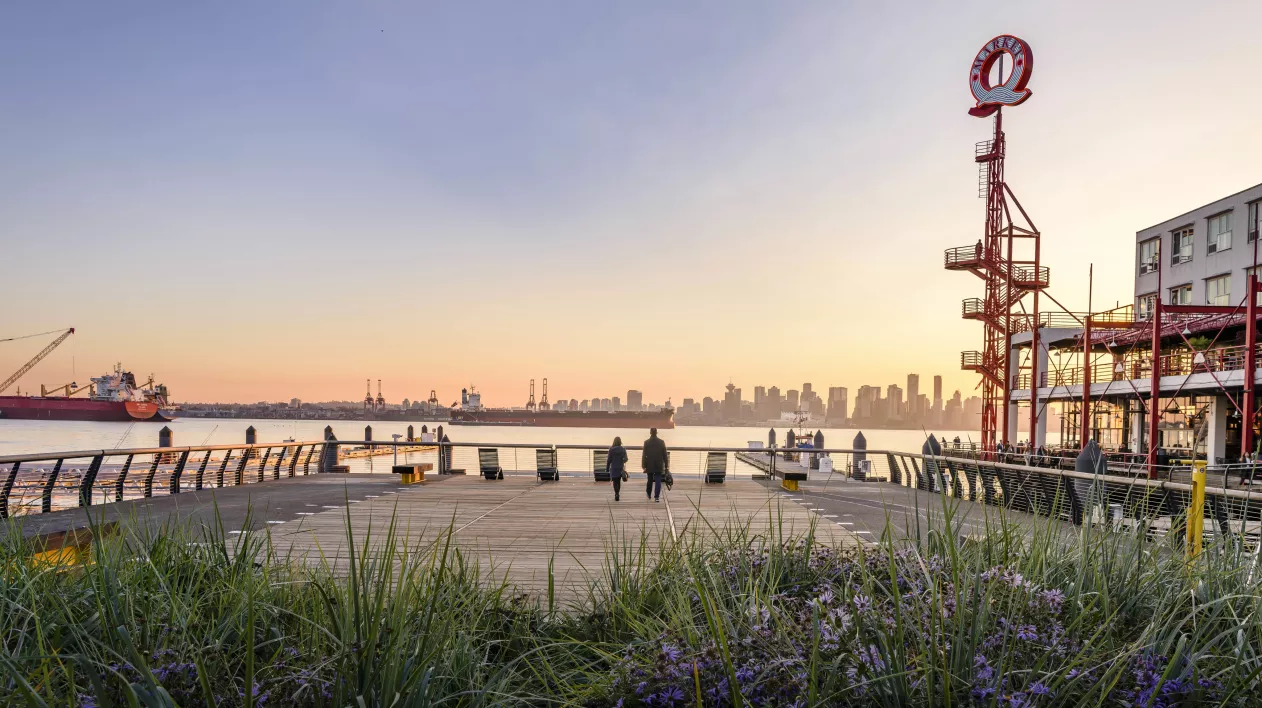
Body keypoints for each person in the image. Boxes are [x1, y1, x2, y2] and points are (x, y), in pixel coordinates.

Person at [642, 427, 668, 502]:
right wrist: (666, 465)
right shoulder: (661, 442)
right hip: (659, 464)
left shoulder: (646, 442)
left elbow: (644, 455)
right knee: (658, 480)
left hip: (649, 464)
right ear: (656, 433)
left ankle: (649, 493)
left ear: (650, 433)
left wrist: (643, 466)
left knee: (649, 480)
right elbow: (665, 455)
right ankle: (656, 497)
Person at [606, 436, 628, 501]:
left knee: (615, 482)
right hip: (620, 467)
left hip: (614, 467)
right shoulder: (623, 449)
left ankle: (616, 493)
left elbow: (609, 460)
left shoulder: (611, 449)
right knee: (618, 481)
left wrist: (607, 468)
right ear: (620, 442)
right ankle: (618, 493)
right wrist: (622, 460)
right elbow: (626, 459)